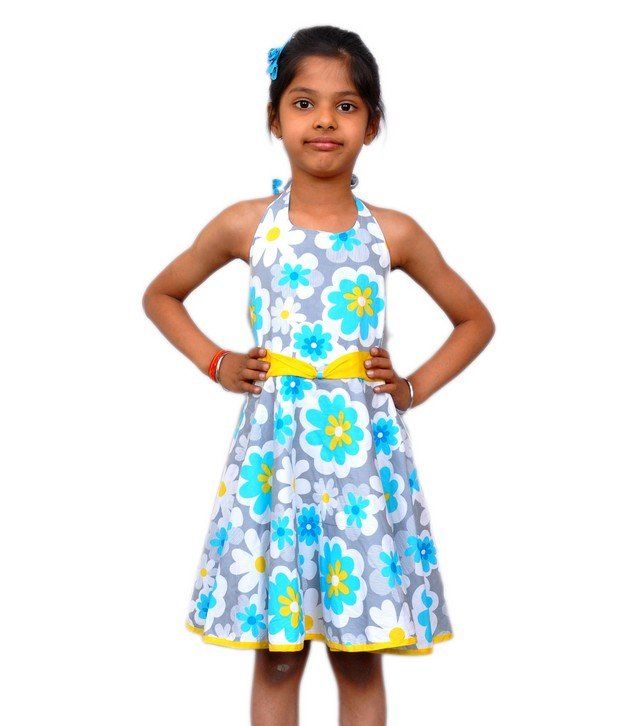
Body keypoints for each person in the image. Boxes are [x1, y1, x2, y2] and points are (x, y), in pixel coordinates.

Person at [142, 24, 495, 726]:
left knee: (359, 655)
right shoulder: (246, 224)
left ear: (373, 124)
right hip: (275, 464)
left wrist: (410, 388)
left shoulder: (392, 233)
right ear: (275, 119)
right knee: (278, 654)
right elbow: (161, 295)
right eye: (304, 103)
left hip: (360, 468)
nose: (325, 120)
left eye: (347, 105)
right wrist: (217, 363)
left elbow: (474, 320)